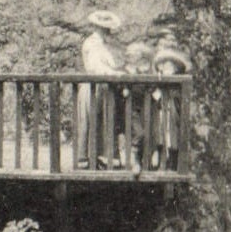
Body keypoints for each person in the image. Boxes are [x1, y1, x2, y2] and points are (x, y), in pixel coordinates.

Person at [76, 10, 121, 167]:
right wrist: (114, 74)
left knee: (105, 121)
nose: (107, 30)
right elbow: (96, 67)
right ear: (97, 27)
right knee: (90, 120)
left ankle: (104, 158)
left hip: (105, 87)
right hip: (93, 86)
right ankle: (85, 159)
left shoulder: (105, 45)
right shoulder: (91, 43)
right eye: (104, 27)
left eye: (108, 27)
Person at [149, 37, 191, 170]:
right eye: (164, 66)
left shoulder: (177, 85)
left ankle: (171, 164)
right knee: (159, 135)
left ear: (175, 68)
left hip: (172, 117)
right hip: (161, 115)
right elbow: (154, 96)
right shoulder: (159, 83)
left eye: (169, 66)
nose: (166, 69)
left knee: (172, 138)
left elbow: (177, 99)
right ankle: (159, 159)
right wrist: (159, 83)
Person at [121, 40, 154, 173]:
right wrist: (124, 88)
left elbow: (150, 86)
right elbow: (121, 83)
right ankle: (134, 160)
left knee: (146, 134)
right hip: (131, 107)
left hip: (144, 107)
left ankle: (140, 163)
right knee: (139, 133)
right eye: (130, 55)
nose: (131, 57)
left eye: (135, 54)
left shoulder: (144, 71)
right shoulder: (126, 70)